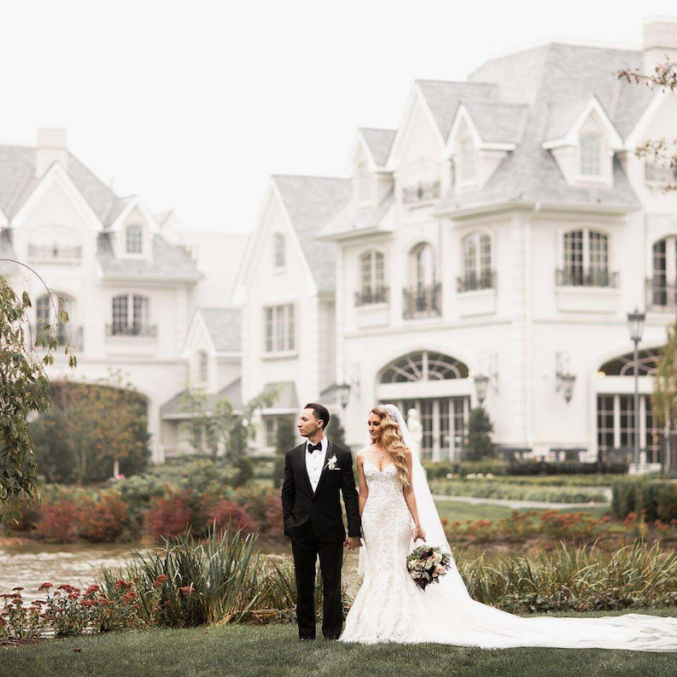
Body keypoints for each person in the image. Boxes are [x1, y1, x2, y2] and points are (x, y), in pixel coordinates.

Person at [339, 404, 677, 651]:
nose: (370, 428)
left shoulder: (404, 453)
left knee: (396, 568)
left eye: (375, 423)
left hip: (398, 517)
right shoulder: (361, 456)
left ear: (388, 425)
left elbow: (410, 489)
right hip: (373, 519)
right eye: (368, 423)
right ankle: (370, 622)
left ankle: (399, 621)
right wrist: (358, 526)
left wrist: (417, 524)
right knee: (378, 569)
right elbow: (362, 493)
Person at [281, 403, 361, 641]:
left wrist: (354, 531)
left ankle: (332, 633)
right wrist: (289, 523)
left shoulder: (343, 456)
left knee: (332, 584)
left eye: (304, 419)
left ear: (319, 423)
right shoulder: (292, 455)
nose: (299, 423)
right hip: (301, 528)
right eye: (299, 419)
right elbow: (287, 493)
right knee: (303, 583)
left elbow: (350, 495)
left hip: (330, 529)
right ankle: (306, 634)